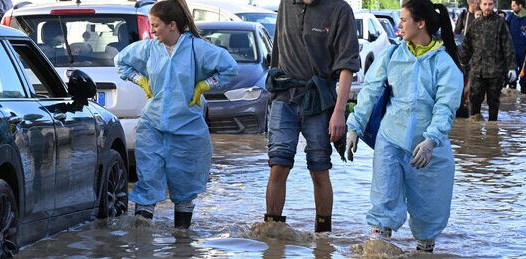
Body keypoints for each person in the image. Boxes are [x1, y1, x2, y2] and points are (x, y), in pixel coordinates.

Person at [345, 0, 463, 252]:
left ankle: (424, 251)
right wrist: (354, 125)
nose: (399, 24)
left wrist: (431, 140)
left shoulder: (444, 65)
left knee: (428, 215)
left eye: (404, 19)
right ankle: (377, 250)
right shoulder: (392, 55)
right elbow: (370, 91)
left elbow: (445, 108)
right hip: (390, 140)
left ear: (420, 24)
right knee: (383, 206)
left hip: (429, 148)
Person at [114, 0, 237, 229]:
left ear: (172, 25)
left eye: (156, 25)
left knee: (185, 186)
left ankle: (182, 243)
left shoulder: (197, 49)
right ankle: (142, 243)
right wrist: (139, 80)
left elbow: (230, 68)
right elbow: (121, 62)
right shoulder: (149, 48)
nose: (152, 30)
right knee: (148, 180)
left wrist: (204, 85)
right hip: (152, 125)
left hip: (187, 128)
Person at [264, 0, 360, 233]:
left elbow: (347, 66)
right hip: (284, 96)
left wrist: (339, 112)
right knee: (278, 164)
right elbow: (277, 52)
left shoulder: (340, 10)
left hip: (319, 99)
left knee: (318, 168)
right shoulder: (286, 4)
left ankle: (323, 237)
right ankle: (272, 235)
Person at [461, 0, 516, 121]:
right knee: (474, 100)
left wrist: (512, 67)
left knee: (493, 103)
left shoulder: (500, 23)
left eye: (490, 4)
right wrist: (461, 64)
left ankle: (492, 132)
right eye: (485, 4)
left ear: (494, 5)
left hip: (495, 71)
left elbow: (508, 46)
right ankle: (475, 133)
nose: (487, 7)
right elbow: (466, 47)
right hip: (477, 71)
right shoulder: (474, 24)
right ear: (480, 5)